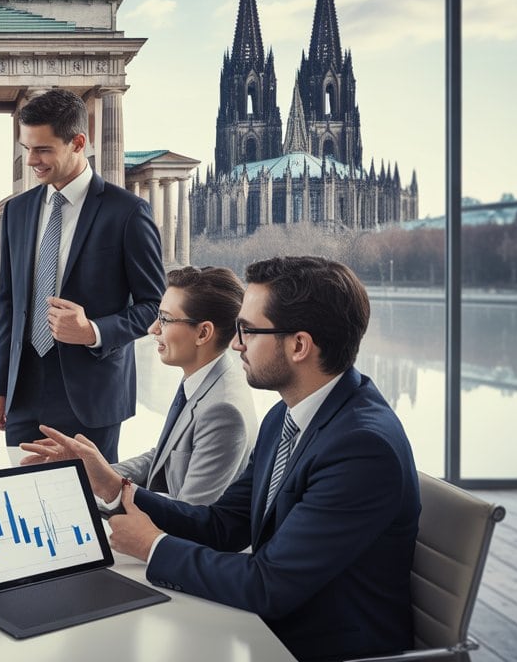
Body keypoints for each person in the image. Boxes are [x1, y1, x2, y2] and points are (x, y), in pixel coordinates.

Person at [108, 256, 420, 661]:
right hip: (273, 626)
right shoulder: (287, 414)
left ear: (299, 345)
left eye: (247, 331)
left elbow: (268, 585)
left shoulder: (361, 449)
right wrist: (116, 488)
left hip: (320, 647)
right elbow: (224, 525)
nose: (235, 344)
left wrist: (154, 547)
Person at [0, 88, 165, 462]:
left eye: (43, 150)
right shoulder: (17, 211)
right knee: (22, 502)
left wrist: (93, 332)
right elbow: (9, 305)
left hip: (91, 396)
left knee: (86, 510)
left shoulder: (128, 212)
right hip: (23, 392)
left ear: (78, 143)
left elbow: (154, 306)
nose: (31, 161)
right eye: (27, 148)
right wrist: (0, 385)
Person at [21, 265, 257, 508]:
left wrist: (108, 485)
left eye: (164, 319)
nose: (152, 329)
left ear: (203, 333)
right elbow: (164, 456)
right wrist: (90, 470)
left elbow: (191, 517)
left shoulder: (223, 411)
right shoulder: (206, 376)